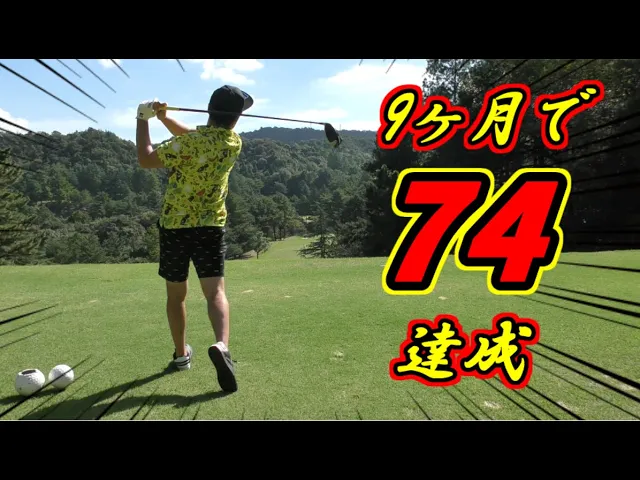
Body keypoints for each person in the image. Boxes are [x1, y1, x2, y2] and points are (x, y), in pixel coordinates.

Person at [135, 85, 254, 393]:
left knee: (176, 296)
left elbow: (146, 159)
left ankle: (181, 355)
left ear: (209, 110)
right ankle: (222, 345)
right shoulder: (233, 142)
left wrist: (143, 119)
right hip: (210, 226)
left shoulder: (187, 144)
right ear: (235, 118)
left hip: (175, 226)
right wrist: (164, 117)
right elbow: (193, 136)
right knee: (215, 293)